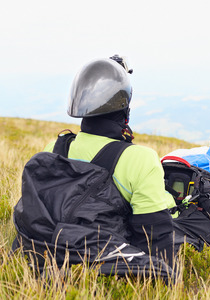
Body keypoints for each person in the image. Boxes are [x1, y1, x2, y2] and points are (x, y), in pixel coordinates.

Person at [44, 55, 176, 266]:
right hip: (106, 267)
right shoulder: (140, 159)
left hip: (47, 259)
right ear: (124, 109)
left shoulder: (54, 149)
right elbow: (155, 241)